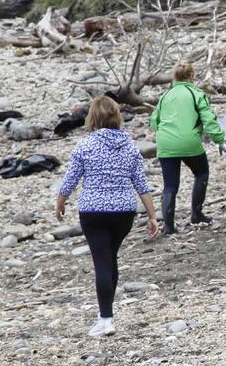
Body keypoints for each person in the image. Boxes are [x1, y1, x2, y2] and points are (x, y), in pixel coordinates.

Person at [55, 96, 160, 337]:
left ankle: (106, 319)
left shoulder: (85, 145)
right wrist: (153, 216)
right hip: (124, 212)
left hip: (93, 211)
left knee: (102, 261)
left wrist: (60, 203)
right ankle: (106, 314)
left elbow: (70, 179)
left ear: (93, 117)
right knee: (110, 258)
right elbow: (141, 184)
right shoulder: (130, 146)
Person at [149, 61, 224, 234]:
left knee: (170, 185)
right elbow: (209, 119)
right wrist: (219, 139)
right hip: (189, 141)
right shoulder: (196, 93)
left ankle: (168, 226)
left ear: (174, 77)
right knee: (202, 173)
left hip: (166, 143)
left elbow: (154, 122)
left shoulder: (165, 96)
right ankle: (196, 214)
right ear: (191, 76)